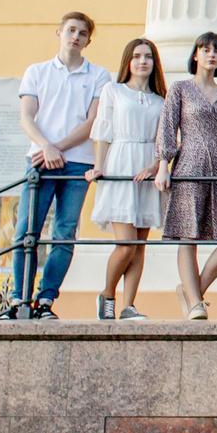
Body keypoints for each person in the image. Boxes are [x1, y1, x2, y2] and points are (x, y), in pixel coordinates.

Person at [16, 12, 111, 318]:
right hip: (40, 162)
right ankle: (20, 300)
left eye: (82, 33)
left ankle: (46, 300)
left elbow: (92, 122)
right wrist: (46, 147)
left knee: (65, 232)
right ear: (58, 33)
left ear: (88, 40)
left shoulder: (99, 75)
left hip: (76, 163)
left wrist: (57, 148)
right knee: (26, 232)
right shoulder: (37, 71)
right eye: (70, 30)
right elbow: (27, 116)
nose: (75, 37)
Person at [159, 33, 217, 319]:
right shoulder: (180, 88)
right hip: (190, 163)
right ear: (195, 54)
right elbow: (168, 128)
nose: (212, 55)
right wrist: (162, 165)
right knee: (188, 233)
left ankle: (193, 290)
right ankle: (195, 302)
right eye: (206, 49)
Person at [88, 36, 166, 321]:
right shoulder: (114, 90)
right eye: (136, 56)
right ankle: (107, 295)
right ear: (128, 61)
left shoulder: (161, 99)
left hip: (147, 171)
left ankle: (128, 305)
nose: (142, 61)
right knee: (126, 244)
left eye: (147, 56)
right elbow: (103, 130)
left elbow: (165, 140)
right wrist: (98, 166)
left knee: (140, 246)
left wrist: (156, 165)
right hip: (121, 165)